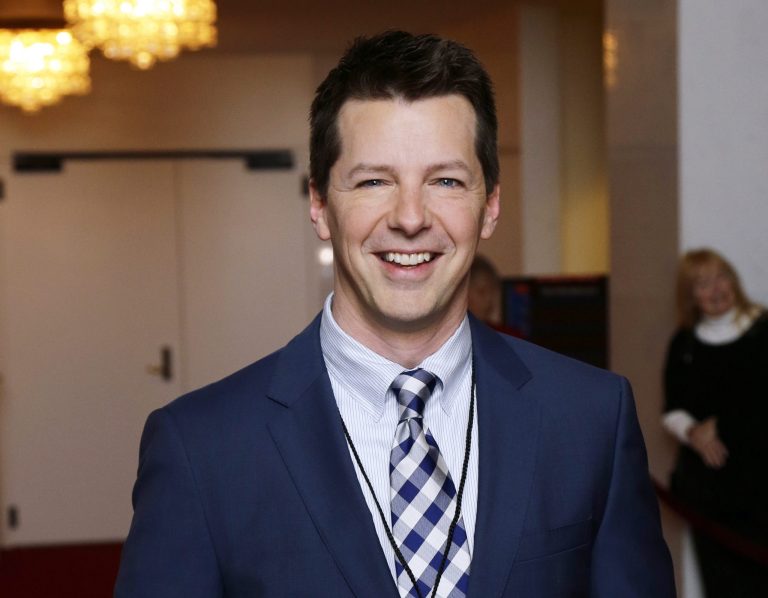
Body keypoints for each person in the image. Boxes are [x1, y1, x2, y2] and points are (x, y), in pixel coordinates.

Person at [115, 31, 674, 597]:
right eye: (375, 181)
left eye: (446, 181)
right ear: (319, 205)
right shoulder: (202, 446)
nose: (410, 217)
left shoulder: (590, 420)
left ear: (491, 206)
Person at [663, 248, 768, 596]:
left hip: (759, 484)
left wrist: (721, 425)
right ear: (690, 295)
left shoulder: (762, 330)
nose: (716, 289)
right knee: (720, 581)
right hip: (708, 492)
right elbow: (672, 408)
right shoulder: (685, 343)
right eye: (703, 284)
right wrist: (694, 433)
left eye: (721, 277)